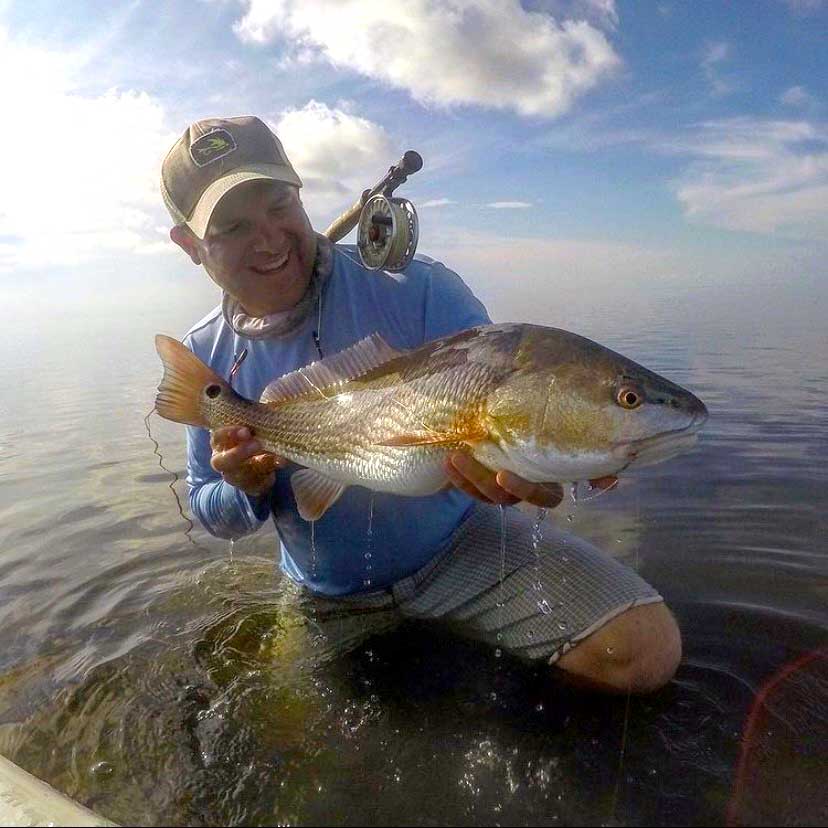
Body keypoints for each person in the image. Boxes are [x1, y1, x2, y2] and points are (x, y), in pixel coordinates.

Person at [161, 115, 681, 694]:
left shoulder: (421, 289)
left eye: (279, 205)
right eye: (233, 226)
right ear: (188, 245)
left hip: (459, 549)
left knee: (644, 652)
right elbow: (210, 510)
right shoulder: (206, 354)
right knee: (286, 738)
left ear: (302, 194)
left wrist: (563, 454)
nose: (268, 239)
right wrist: (248, 486)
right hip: (324, 589)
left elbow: (506, 394)